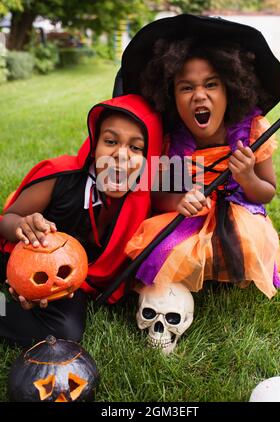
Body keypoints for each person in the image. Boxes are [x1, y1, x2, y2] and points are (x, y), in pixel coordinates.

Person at [123, 14, 280, 299]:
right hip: (189, 215)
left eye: (211, 84)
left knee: (250, 243)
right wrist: (179, 200)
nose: (199, 95)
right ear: (170, 95)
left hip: (239, 213)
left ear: (231, 88)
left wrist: (247, 177)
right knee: (158, 247)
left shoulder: (251, 132)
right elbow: (160, 197)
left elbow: (266, 192)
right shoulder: (171, 140)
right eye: (186, 87)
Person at [0, 94, 163, 347]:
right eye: (110, 141)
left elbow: (177, 191)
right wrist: (22, 226)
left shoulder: (142, 198)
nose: (121, 155)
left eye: (136, 147)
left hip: (68, 284)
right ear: (94, 145)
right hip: (17, 256)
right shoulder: (60, 176)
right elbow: (6, 220)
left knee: (66, 332)